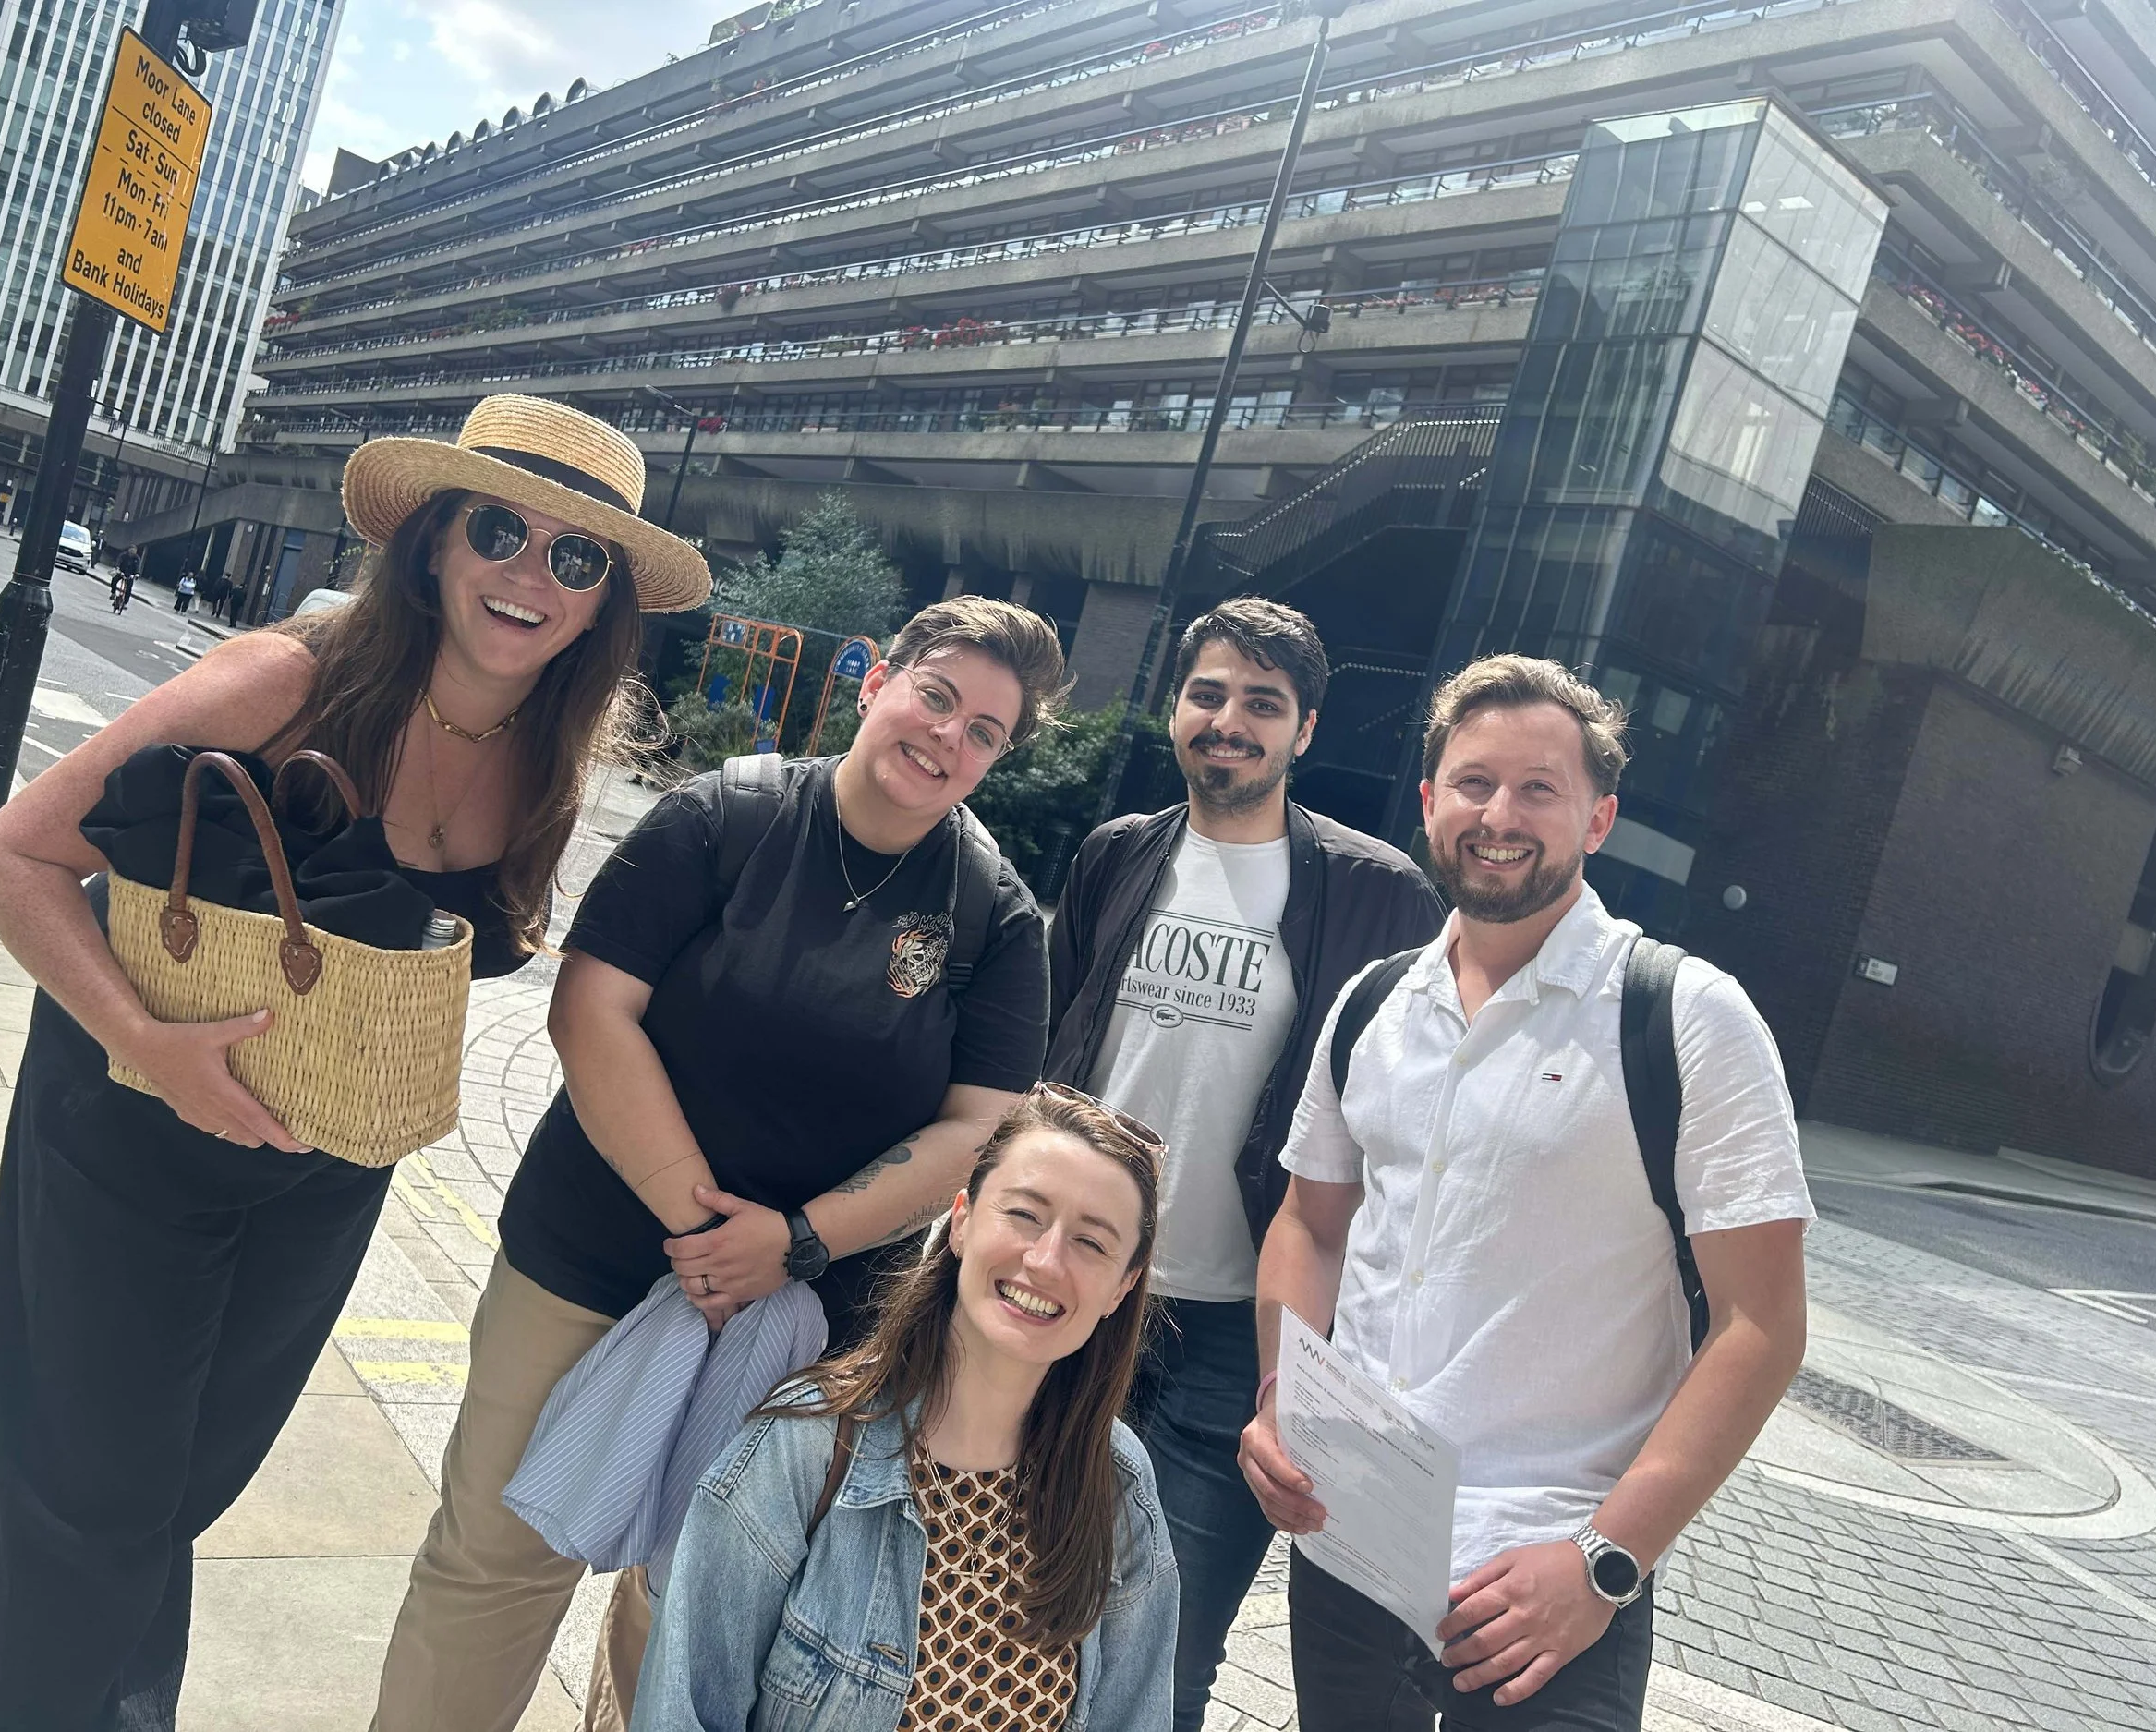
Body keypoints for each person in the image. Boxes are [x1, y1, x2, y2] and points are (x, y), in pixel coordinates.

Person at [0, 394, 710, 1732]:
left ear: (601, 607)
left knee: (180, 1489)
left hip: (318, 1173)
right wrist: (148, 1043)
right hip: (129, 1132)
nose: (531, 573)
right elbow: (14, 856)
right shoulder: (295, 678)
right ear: (433, 543)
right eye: (501, 530)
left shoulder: (545, 766)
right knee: (80, 1487)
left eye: (574, 558)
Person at [373, 594, 1070, 1731]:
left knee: (700, 1599)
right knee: (498, 1556)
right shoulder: (721, 818)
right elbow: (593, 1013)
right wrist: (702, 1229)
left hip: (806, 1310)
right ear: (875, 681)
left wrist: (792, 1243)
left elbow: (974, 1128)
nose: (948, 737)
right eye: (935, 696)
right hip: (591, 1260)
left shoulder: (992, 916)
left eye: (985, 731)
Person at [1239, 654, 1813, 1732]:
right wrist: (1283, 1401)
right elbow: (1309, 1224)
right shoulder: (1373, 1006)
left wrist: (1605, 1563)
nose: (1499, 815)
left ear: (1596, 820)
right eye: (1472, 783)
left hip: (1548, 1576)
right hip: (1350, 1540)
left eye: (1539, 789)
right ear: (1427, 803)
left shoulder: (1685, 1015)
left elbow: (1760, 1326)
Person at [1044, 596, 1442, 1730]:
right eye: (1208, 694)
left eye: (1261, 704)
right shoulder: (1116, 856)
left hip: (1238, 1332)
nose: (1229, 721)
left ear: (1304, 730)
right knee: (1012, 1595)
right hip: (1077, 1295)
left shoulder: (1377, 895)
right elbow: (1053, 1058)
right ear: (1175, 709)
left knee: (1165, 1650)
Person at [632, 1083, 1181, 1732]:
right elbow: (683, 1709)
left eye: (1092, 1242)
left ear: (1122, 1286)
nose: (1045, 1260)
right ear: (963, 1220)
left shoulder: (1117, 1484)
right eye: (1025, 1214)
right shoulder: (804, 1445)